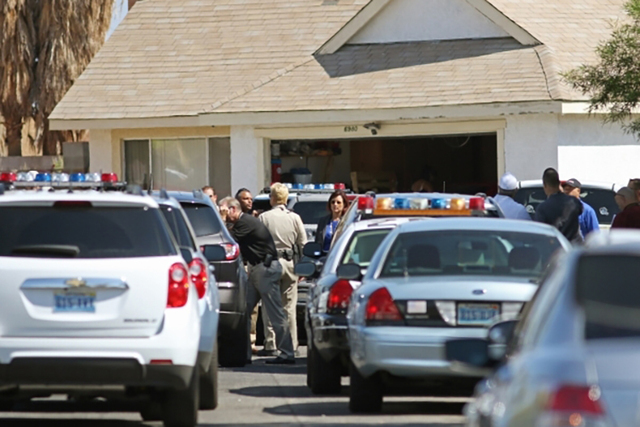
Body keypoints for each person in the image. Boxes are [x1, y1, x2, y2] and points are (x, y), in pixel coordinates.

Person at [218, 197, 295, 364]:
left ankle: (287, 353)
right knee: (243, 310)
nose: (221, 213)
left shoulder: (245, 222)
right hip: (255, 269)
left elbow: (226, 240)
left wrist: (222, 219)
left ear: (232, 209)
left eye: (223, 210)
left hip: (265, 269)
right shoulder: (241, 223)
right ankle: (243, 353)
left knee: (275, 312)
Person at [258, 183, 307, 356]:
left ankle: (271, 343)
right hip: (290, 264)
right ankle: (292, 344)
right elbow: (303, 244)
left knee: (269, 306)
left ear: (272, 198)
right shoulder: (294, 218)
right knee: (289, 307)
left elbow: (258, 243)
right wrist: (302, 267)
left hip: (270, 263)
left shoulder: (264, 218)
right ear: (286, 199)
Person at [534, 168, 583, 243]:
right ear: (559, 184)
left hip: (555, 246)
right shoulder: (574, 202)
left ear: (545, 185)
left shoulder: (542, 208)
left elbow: (539, 233)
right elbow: (581, 210)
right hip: (574, 246)